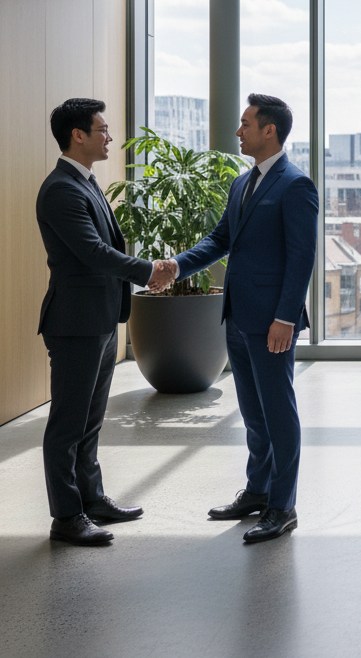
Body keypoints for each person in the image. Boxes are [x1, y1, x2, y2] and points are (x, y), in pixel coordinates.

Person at [155, 94, 318, 544]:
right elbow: (220, 239)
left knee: (278, 412)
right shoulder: (241, 183)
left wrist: (286, 317)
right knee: (252, 412)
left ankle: (283, 506)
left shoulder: (296, 184)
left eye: (245, 123)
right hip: (238, 316)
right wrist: (176, 266)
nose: (238, 131)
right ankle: (258, 491)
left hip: (272, 323)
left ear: (270, 130)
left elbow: (302, 258)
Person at [36, 98, 173, 546]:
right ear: (78, 135)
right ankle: (67, 517)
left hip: (98, 318)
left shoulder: (85, 182)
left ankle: (91, 500)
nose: (109, 137)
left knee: (90, 421)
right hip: (75, 322)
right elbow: (93, 252)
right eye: (103, 129)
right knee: (68, 424)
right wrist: (149, 270)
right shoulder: (61, 190)